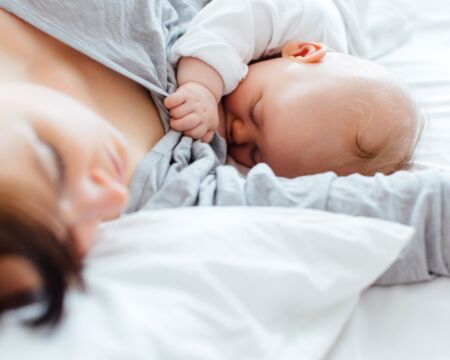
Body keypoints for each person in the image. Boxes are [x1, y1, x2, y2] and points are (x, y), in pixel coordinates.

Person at [0, 0, 449, 329]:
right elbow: (415, 221)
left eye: (50, 161)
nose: (114, 197)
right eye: (72, 240)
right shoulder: (176, 188)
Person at [166, 0, 420, 177]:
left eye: (256, 155)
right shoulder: (296, 13)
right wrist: (202, 87)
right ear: (301, 52)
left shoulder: (311, 126)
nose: (238, 134)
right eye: (255, 110)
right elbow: (222, 28)